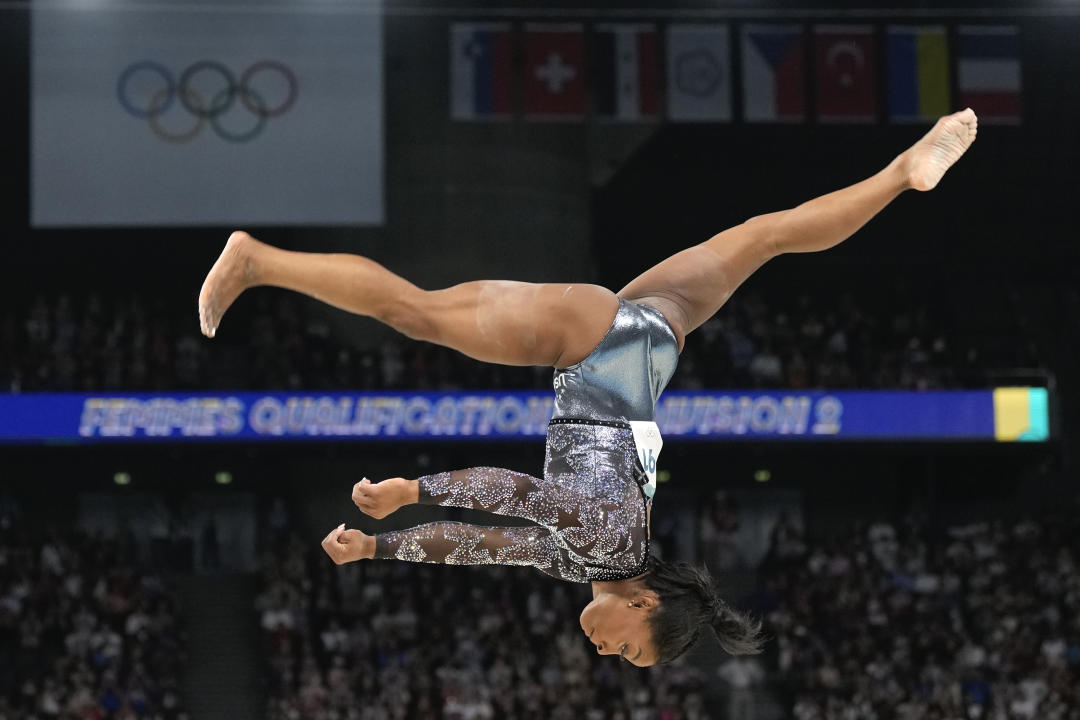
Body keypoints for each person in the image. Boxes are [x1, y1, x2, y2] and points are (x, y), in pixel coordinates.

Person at [198, 110, 978, 667]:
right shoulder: (610, 546)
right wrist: (409, 489)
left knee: (765, 238)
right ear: (645, 606)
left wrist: (379, 547)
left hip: (649, 346)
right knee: (416, 314)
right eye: (630, 653)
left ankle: (901, 173)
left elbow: (483, 546)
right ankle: (258, 261)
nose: (606, 652)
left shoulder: (591, 561)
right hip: (597, 347)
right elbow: (517, 494)